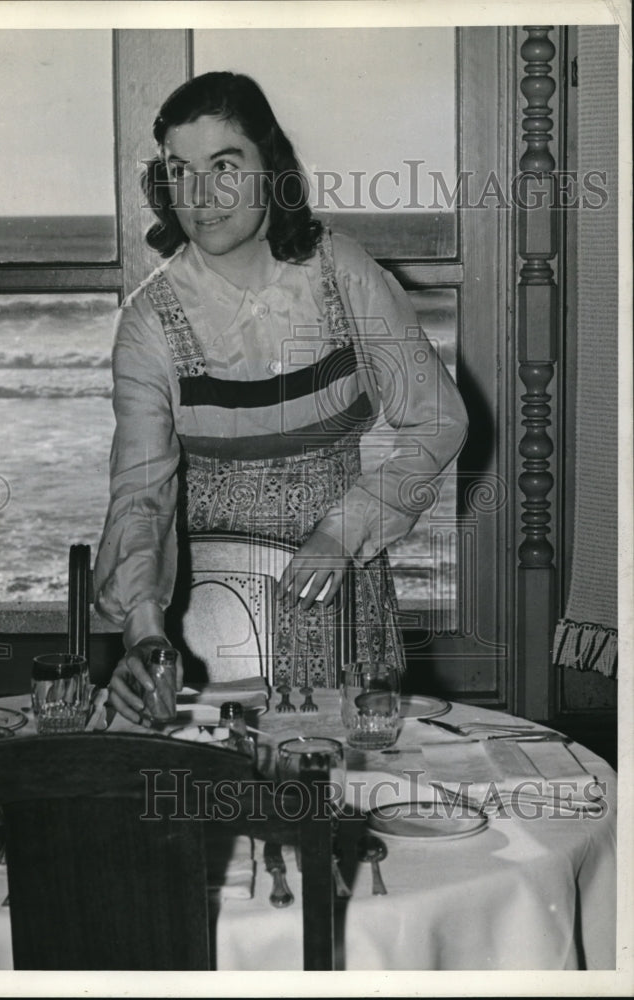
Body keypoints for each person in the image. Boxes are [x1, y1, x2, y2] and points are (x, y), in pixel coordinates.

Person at [94, 71, 468, 724]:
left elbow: (438, 421)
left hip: (342, 606)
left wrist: (344, 527)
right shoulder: (149, 320)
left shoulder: (343, 273)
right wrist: (147, 637)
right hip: (209, 634)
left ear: (271, 167)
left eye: (225, 166)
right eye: (181, 171)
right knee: (221, 807)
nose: (202, 196)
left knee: (347, 803)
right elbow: (141, 496)